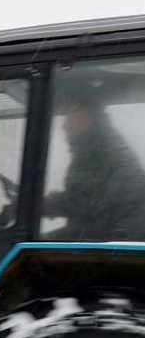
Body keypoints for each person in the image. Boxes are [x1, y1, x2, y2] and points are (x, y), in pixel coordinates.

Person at [43, 97, 145, 240]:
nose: (64, 125)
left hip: (115, 237)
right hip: (109, 230)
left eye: (69, 117)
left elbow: (85, 202)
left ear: (86, 118)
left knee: (35, 244)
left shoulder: (101, 151)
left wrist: (42, 205)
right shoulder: (95, 147)